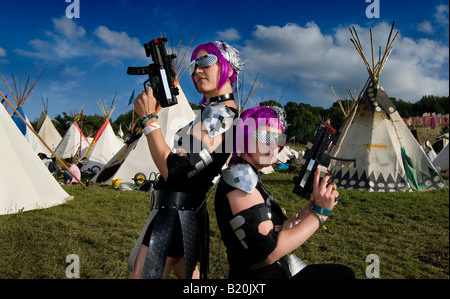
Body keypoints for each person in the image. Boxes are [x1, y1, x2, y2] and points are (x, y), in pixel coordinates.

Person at [129, 41, 243, 279]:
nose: (197, 70)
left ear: (229, 69)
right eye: (194, 65)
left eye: (206, 62)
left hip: (175, 214)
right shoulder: (212, 112)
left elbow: (177, 172)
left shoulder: (221, 114)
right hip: (180, 212)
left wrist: (149, 120)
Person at [214, 106, 355, 279]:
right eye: (265, 137)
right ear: (245, 134)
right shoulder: (240, 179)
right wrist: (319, 214)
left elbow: (273, 229)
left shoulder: (249, 176)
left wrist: (309, 209)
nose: (274, 145)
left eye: (278, 138)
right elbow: (269, 251)